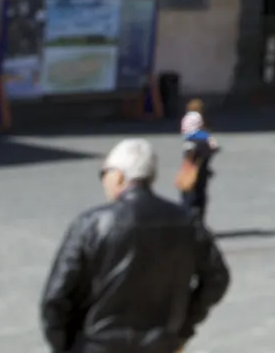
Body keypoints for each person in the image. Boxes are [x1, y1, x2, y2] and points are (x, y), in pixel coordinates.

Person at [40, 137, 229, 352]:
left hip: (97, 345)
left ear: (119, 176)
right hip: (159, 344)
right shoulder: (186, 221)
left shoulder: (90, 224)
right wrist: (183, 327)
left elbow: (55, 298)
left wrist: (66, 346)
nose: (104, 181)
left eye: (104, 173)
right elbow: (217, 278)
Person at [176, 105, 218, 222]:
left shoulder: (191, 141)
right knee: (201, 197)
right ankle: (199, 220)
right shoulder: (206, 138)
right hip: (202, 174)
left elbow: (190, 155)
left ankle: (190, 221)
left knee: (189, 198)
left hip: (191, 175)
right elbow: (214, 148)